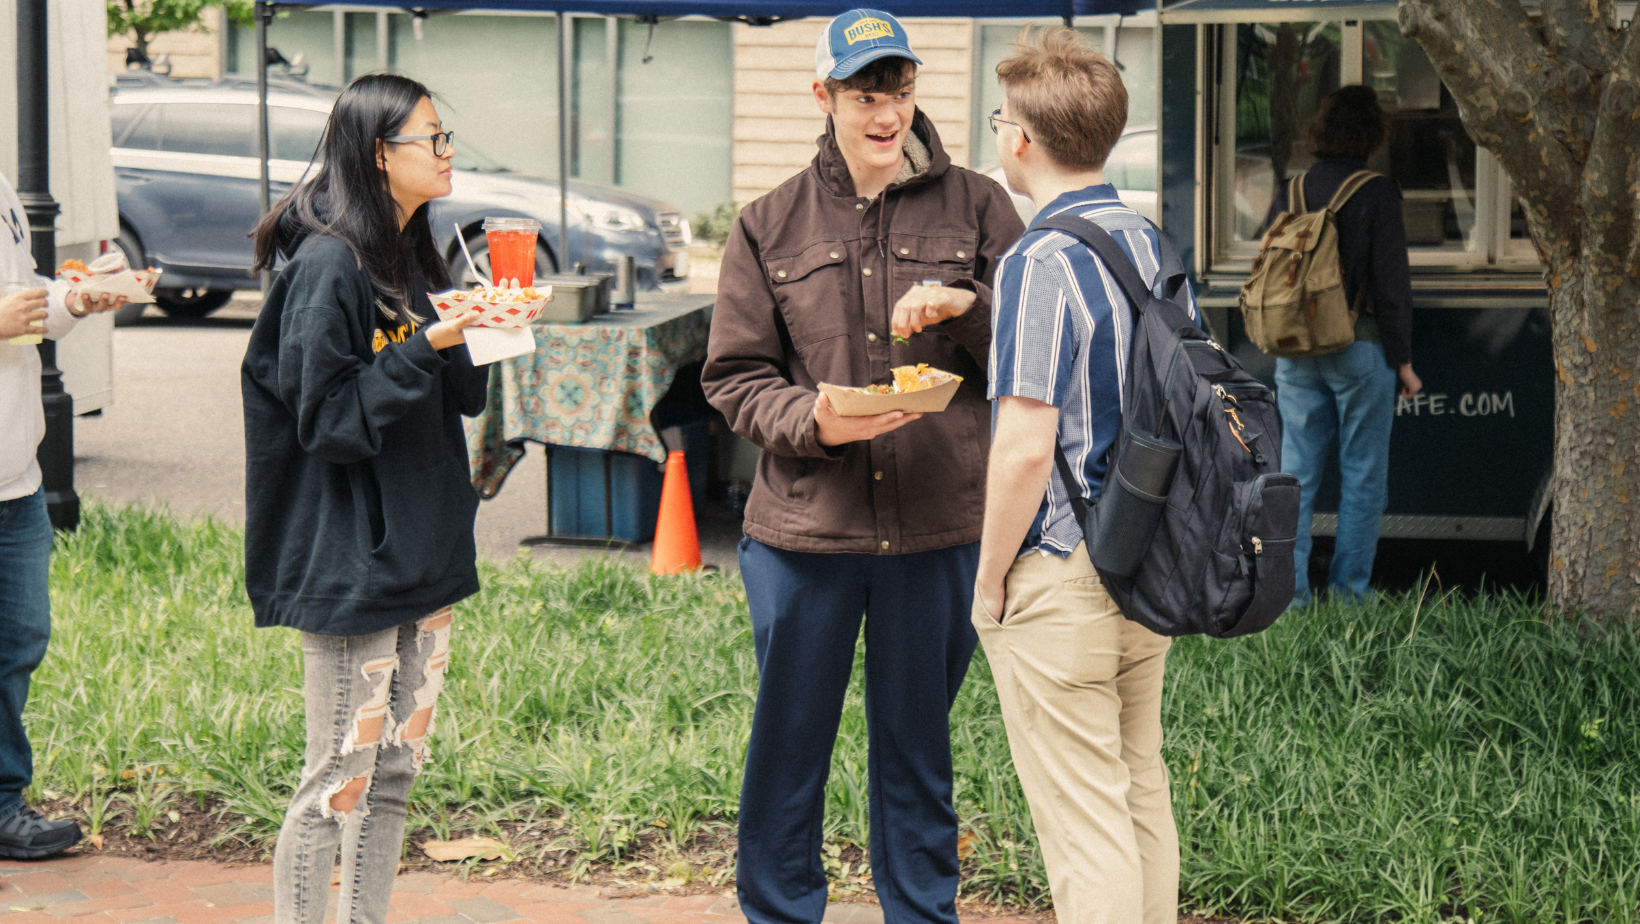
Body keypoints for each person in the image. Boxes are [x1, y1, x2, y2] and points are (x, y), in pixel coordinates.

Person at [701, 9, 1023, 924]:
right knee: (788, 745)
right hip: (807, 532)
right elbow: (734, 378)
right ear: (825, 97)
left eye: (901, 92)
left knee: (918, 745)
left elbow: (1031, 355)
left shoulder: (980, 206)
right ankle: (779, 910)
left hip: (939, 525)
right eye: (866, 95)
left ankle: (921, 912)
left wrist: (965, 307)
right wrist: (816, 420)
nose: (887, 114)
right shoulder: (767, 224)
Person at [242, 74, 486, 924]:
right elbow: (331, 422)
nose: (448, 152)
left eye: (447, 136)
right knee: (336, 783)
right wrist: (427, 345)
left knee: (392, 778)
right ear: (381, 155)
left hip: (427, 557)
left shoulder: (417, 252)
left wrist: (481, 322)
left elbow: (462, 398)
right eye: (433, 139)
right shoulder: (326, 267)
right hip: (352, 568)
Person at [970, 28, 1198, 924]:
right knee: (1139, 783)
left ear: (1020, 139)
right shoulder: (1146, 240)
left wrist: (989, 582)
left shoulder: (1037, 259)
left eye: (999, 119)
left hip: (1061, 573)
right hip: (1147, 558)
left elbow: (1025, 446)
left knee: (1083, 818)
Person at [0, 175, 128, 859]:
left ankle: (1, 804)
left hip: (16, 476)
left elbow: (24, 300)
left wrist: (72, 298)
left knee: (17, 645)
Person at [1266, 85, 1421, 603]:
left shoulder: (1292, 190)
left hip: (1295, 350)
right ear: (1372, 134)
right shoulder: (1377, 192)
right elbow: (1392, 284)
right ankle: (1351, 596)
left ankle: (1289, 599)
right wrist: (1403, 361)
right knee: (1362, 478)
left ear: (1320, 129)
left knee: (1295, 479)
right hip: (1359, 349)